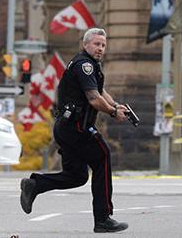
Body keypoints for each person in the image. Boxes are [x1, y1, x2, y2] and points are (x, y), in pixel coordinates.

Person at [20, 28, 129, 233]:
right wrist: (114, 112)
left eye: (103, 45)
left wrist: (117, 105)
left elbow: (101, 92)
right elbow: (94, 99)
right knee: (102, 156)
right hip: (77, 128)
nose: (100, 48)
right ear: (85, 44)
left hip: (68, 128)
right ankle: (103, 219)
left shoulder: (91, 65)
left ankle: (35, 185)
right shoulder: (84, 65)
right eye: (97, 44)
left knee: (76, 176)